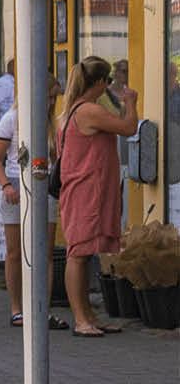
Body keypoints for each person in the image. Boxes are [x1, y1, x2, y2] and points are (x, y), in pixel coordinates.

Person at [55, 56, 139, 336]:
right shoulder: (88, 110)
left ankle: (89, 315)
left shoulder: (72, 110)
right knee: (78, 254)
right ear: (101, 82)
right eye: (109, 80)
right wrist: (131, 103)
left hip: (83, 188)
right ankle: (81, 319)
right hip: (85, 191)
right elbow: (128, 128)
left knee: (83, 252)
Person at [0, 105, 70, 331]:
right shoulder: (11, 118)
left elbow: (56, 159)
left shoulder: (50, 121)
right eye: (49, 97)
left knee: (45, 252)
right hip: (16, 183)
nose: (52, 101)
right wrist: (6, 185)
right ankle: (17, 309)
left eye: (55, 97)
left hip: (44, 184)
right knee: (15, 251)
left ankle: (42, 309)